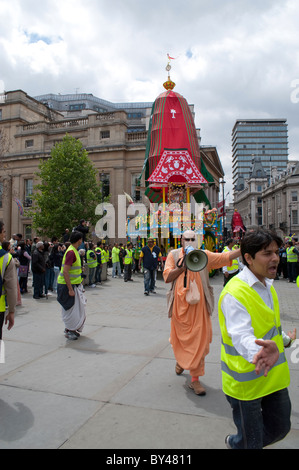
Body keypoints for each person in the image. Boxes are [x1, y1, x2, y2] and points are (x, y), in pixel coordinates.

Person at [219, 229, 296, 449]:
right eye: (266, 253)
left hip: (273, 377)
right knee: (252, 442)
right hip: (247, 383)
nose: (275, 258)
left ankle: (237, 443)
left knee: (281, 428)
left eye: (276, 251)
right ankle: (238, 443)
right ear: (248, 258)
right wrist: (259, 353)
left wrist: (286, 341)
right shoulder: (234, 293)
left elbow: (268, 328)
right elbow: (241, 335)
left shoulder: (268, 286)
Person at [163, 230, 241, 396]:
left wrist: (244, 249)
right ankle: (181, 360)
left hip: (200, 308)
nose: (190, 242)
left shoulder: (204, 255)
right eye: (187, 239)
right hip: (180, 307)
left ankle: (195, 380)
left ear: (197, 241)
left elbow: (223, 258)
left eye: (193, 239)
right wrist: (181, 267)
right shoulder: (174, 255)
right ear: (181, 240)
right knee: (181, 340)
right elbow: (167, 277)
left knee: (200, 341)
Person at [57, 231, 86, 340]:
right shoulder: (71, 252)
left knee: (75, 309)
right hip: (67, 286)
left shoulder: (74, 251)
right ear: (79, 240)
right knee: (70, 309)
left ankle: (71, 329)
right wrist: (70, 289)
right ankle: (69, 330)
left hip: (74, 285)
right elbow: (65, 272)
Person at [0, 222, 17, 341]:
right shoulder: (6, 257)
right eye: (4, 231)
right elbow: (11, 288)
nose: (5, 234)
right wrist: (11, 311)